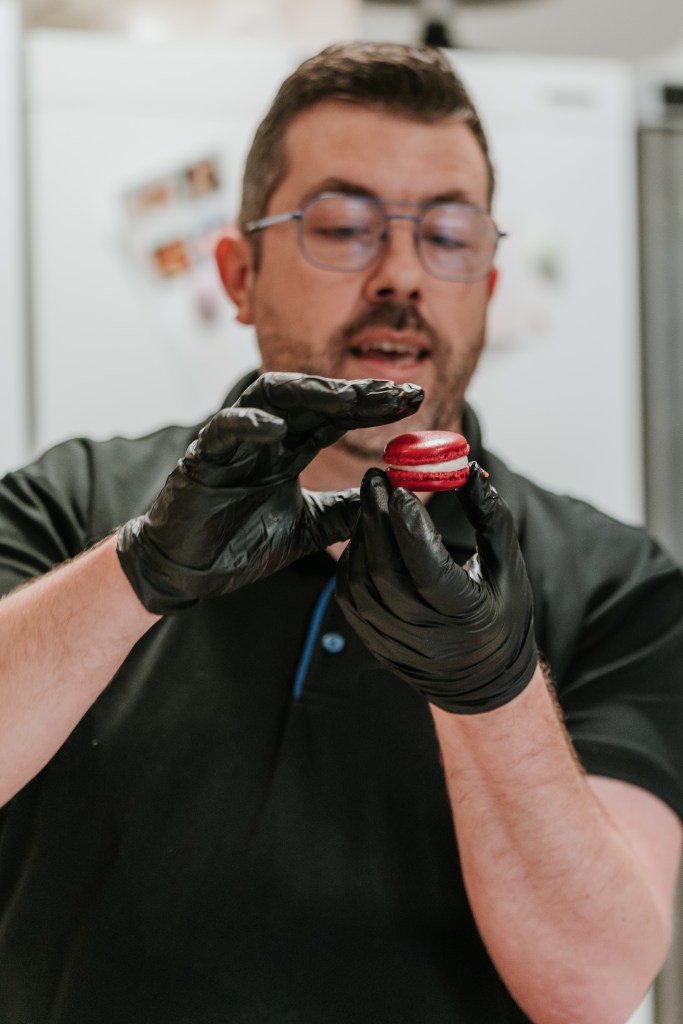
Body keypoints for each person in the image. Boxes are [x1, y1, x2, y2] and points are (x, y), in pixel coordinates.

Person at [0, 41, 682, 1024]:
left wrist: (489, 691)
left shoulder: (618, 584)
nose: (401, 274)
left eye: (447, 235)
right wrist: (134, 575)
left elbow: (591, 987)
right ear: (238, 274)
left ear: (487, 289)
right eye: (343, 227)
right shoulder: (70, 504)